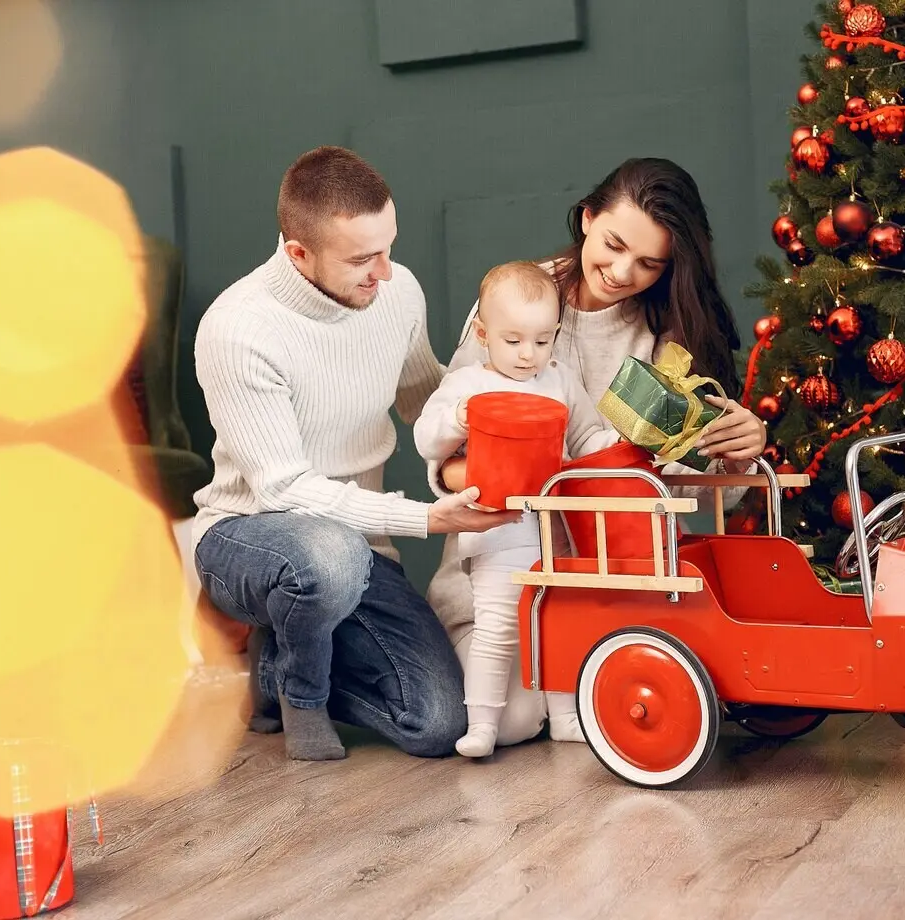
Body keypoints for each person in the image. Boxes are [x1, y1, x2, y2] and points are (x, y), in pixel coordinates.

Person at [426, 157, 769, 748]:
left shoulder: (671, 332)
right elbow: (453, 440)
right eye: (612, 245)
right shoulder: (515, 296)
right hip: (502, 562)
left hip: (613, 580)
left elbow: (678, 489)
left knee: (588, 706)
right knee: (504, 720)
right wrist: (499, 478)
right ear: (587, 218)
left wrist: (735, 455)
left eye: (648, 263)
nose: (621, 271)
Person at [191, 146, 517, 762]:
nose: (385, 272)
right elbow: (282, 490)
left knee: (440, 724)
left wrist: (503, 402)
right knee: (329, 554)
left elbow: (426, 399)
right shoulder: (238, 329)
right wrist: (426, 518)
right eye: (363, 258)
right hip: (247, 536)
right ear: (299, 254)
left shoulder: (396, 293)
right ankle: (299, 689)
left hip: (357, 548)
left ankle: (276, 666)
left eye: (389, 248)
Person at [413, 261, 622, 757]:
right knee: (499, 628)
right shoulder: (467, 385)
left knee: (558, 622)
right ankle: (481, 723)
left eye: (542, 340)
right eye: (513, 341)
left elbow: (587, 434)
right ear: (483, 335)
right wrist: (458, 421)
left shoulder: (560, 379)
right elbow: (427, 439)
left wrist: (613, 445)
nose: (529, 355)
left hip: (554, 534)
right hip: (496, 534)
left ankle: (569, 716)